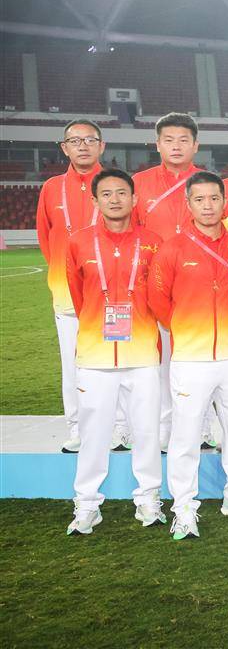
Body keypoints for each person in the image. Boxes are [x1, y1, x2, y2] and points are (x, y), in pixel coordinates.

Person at [148, 172, 228, 540]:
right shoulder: (172, 249)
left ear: (224, 202)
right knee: (185, 433)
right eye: (199, 199)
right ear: (189, 204)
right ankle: (183, 505)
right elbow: (158, 300)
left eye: (214, 198)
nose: (208, 206)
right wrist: (186, 329)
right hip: (191, 358)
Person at [65, 169, 164, 535]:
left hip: (142, 354)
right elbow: (79, 297)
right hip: (95, 355)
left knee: (147, 430)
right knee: (93, 432)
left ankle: (149, 498)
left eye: (122, 193)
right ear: (95, 201)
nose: (115, 199)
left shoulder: (153, 242)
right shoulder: (78, 242)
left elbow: (159, 294)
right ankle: (87, 504)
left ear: (134, 199)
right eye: (106, 194)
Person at [132, 112, 209, 450]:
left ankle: (202, 429)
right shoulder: (140, 183)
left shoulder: (208, 182)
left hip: (200, 288)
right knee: (160, 362)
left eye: (183, 140)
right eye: (169, 140)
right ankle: (165, 428)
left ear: (196, 145)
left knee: (202, 361)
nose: (176, 146)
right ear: (157, 144)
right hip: (155, 286)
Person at [37, 119, 113, 453]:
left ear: (102, 145)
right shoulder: (52, 187)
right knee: (73, 364)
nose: (83, 146)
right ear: (64, 148)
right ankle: (78, 429)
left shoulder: (114, 184)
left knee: (116, 361)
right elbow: (45, 236)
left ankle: (118, 429)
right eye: (75, 140)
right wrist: (63, 271)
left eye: (90, 139)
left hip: (112, 293)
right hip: (67, 293)